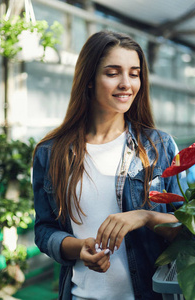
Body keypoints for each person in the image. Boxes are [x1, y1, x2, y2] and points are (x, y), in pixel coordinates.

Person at [32, 31, 185, 300]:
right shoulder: (51, 152)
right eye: (113, 73)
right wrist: (78, 247)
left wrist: (145, 217)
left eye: (134, 73)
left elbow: (187, 229)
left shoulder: (159, 146)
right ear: (89, 79)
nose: (126, 83)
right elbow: (45, 230)